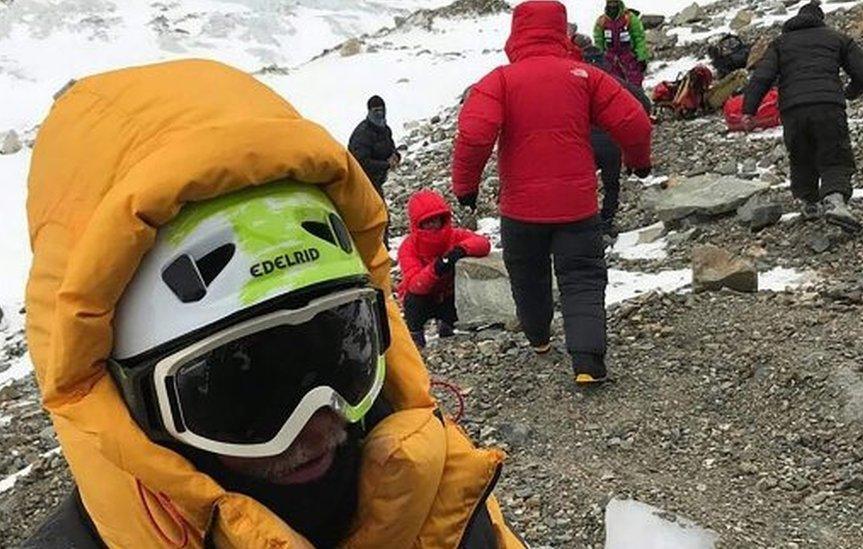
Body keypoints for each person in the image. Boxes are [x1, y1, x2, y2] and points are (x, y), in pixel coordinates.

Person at [22, 59, 522, 548]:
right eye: (243, 385)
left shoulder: (438, 492)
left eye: (344, 351)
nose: (318, 421)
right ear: (131, 405)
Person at [452, 1, 653, 385]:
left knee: (528, 276)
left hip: (521, 210)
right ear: (562, 32)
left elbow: (474, 135)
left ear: (516, 34)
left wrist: (466, 188)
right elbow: (635, 121)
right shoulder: (585, 75)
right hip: (577, 206)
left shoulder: (500, 80)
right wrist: (639, 162)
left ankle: (540, 339)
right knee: (583, 277)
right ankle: (588, 362)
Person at [742, 0, 863, 233]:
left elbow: (762, 77)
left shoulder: (780, 43)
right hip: (828, 105)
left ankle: (809, 203)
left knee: (801, 154)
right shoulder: (837, 38)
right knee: (834, 153)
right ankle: (834, 201)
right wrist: (849, 93)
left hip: (793, 110)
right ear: (820, 19)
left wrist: (748, 111)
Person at [397, 190, 491, 348]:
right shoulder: (408, 246)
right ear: (417, 224)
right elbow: (415, 284)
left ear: (443, 218)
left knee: (455, 307)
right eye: (427, 221)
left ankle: (447, 324)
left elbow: (483, 243)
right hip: (423, 299)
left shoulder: (454, 236)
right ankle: (415, 333)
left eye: (436, 219)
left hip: (448, 295)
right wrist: (437, 268)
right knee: (412, 299)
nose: (433, 224)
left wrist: (462, 250)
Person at [583, 46, 654, 237]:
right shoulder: (614, 81)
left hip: (583, 142)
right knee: (611, 183)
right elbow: (644, 102)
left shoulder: (575, 82)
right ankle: (606, 220)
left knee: (584, 182)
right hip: (610, 141)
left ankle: (584, 221)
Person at [593, 0, 650, 87]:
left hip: (629, 58)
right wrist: (599, 59)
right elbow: (598, 41)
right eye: (610, 3)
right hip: (611, 60)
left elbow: (639, 37)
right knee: (615, 85)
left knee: (635, 85)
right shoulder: (602, 21)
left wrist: (641, 56)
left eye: (614, 2)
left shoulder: (629, 18)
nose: (612, 5)